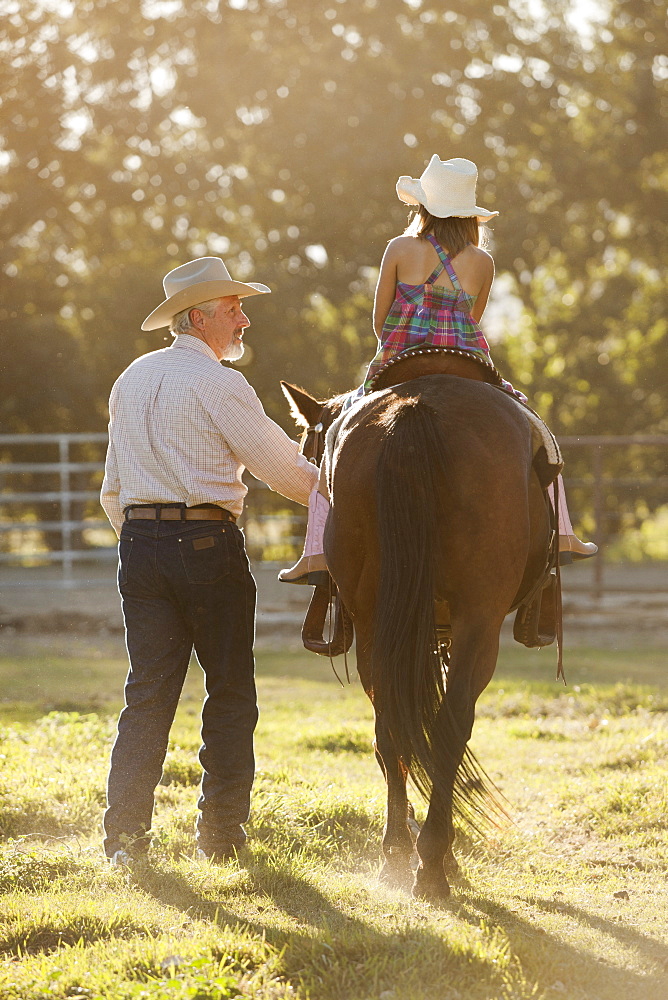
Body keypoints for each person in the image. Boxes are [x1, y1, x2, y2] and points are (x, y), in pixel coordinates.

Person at [279, 155, 595, 584]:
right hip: (468, 361)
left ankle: (315, 551)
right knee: (535, 428)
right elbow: (473, 320)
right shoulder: (482, 262)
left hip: (399, 360)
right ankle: (562, 533)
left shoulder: (399, 248)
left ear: (423, 208)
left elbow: (380, 320)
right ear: (469, 217)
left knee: (335, 436)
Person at [100, 256, 318, 864]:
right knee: (228, 689)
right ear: (199, 317)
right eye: (233, 309)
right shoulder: (220, 383)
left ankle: (124, 840)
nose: (244, 320)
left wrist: (144, 539)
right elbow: (286, 473)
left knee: (147, 692)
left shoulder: (131, 379)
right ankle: (220, 836)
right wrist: (343, 483)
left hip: (138, 547)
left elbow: (111, 491)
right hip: (205, 546)